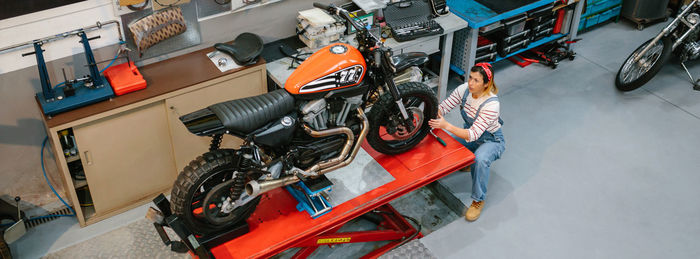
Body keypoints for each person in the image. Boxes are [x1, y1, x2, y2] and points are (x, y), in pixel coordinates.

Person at [428, 63, 505, 221]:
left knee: (480, 159)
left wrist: (446, 125)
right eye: (470, 77)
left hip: (491, 140)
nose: (471, 83)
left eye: (476, 80)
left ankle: (478, 200)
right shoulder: (464, 90)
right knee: (445, 145)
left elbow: (472, 135)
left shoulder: (491, 104)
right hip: (470, 135)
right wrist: (431, 113)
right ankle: (467, 162)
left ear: (486, 84)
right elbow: (443, 107)